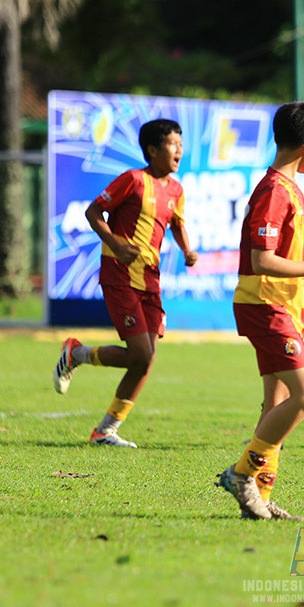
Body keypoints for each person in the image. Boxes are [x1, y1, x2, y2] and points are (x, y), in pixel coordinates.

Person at [215, 102, 304, 521]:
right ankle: (241, 475)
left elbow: (289, 258)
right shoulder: (275, 191)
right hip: (263, 304)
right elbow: (263, 260)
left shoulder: (291, 189)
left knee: (277, 403)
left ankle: (257, 495)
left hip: (282, 307)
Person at [53, 119, 198, 448]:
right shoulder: (132, 180)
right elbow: (93, 212)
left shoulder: (176, 190)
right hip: (120, 274)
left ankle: (106, 430)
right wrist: (116, 244)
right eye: (173, 144)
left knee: (145, 359)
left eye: (181, 144)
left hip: (150, 280)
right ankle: (77, 354)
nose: (179, 150)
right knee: (141, 354)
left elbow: (176, 223)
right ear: (152, 150)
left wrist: (187, 249)